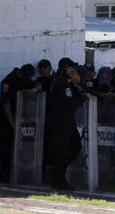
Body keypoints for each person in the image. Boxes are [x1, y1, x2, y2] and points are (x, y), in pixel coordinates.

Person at [47, 62, 88, 190]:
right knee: (63, 150)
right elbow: (71, 105)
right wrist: (82, 98)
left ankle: (58, 174)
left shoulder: (69, 82)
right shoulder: (62, 82)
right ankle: (58, 178)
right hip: (59, 121)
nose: (79, 81)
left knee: (75, 146)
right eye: (79, 77)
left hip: (67, 120)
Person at [0, 64, 37, 183]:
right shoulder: (8, 81)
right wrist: (12, 122)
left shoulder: (25, 78)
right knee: (6, 147)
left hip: (21, 118)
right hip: (6, 120)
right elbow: (6, 103)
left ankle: (18, 174)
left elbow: (38, 86)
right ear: (20, 72)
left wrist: (33, 90)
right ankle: (4, 175)